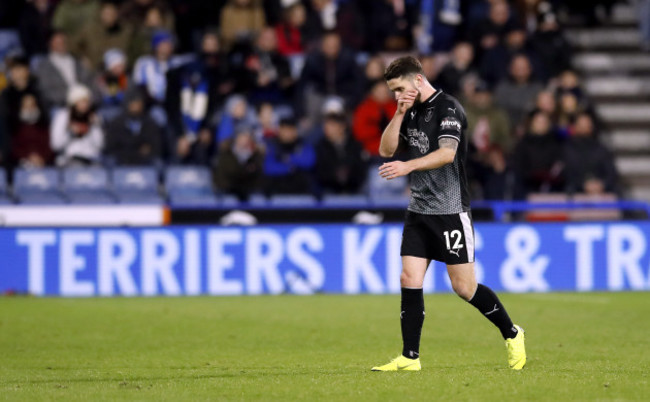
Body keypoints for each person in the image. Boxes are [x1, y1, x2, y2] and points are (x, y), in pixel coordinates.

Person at [371, 56, 526, 372]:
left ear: (417, 80)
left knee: (464, 288)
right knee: (409, 278)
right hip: (419, 210)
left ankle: (512, 333)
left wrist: (408, 166)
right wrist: (399, 112)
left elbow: (447, 153)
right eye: (392, 91)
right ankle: (409, 357)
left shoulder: (449, 108)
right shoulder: (408, 110)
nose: (396, 95)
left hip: (450, 211)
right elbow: (385, 151)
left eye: (399, 88)